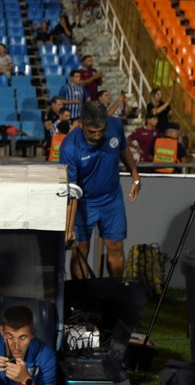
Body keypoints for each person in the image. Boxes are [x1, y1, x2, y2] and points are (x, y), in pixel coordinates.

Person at [60, 101, 141, 279]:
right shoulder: (69, 148)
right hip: (82, 203)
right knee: (81, 249)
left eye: (101, 131)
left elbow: (123, 148)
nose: (97, 135)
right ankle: (82, 294)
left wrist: (135, 175)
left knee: (116, 245)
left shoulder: (115, 125)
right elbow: (71, 191)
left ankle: (116, 290)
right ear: (81, 124)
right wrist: (69, 228)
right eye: (92, 132)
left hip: (112, 200)